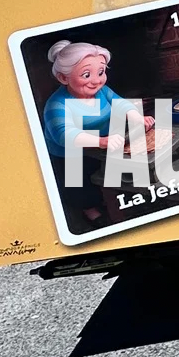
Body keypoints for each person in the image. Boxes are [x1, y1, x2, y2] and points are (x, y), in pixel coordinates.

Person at [39, 41, 155, 223]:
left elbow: (121, 103)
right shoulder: (57, 104)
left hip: (103, 142)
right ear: (63, 78)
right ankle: (91, 211)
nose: (96, 80)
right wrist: (101, 141)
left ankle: (121, 198)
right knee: (79, 181)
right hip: (70, 152)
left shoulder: (102, 91)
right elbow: (63, 135)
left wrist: (137, 118)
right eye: (86, 74)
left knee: (111, 170)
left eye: (100, 72)